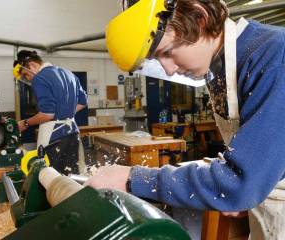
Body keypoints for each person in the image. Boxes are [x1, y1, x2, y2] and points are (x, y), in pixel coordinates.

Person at [86, 0, 285, 239]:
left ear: (200, 19)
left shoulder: (273, 57)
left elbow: (238, 181)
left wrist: (131, 178)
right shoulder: (221, 67)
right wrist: (252, 185)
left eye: (168, 52)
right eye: (158, 60)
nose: (168, 70)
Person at [13, 50, 88, 175]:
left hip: (54, 136)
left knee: (52, 180)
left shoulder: (40, 78)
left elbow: (47, 114)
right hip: (73, 134)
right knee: (72, 177)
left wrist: (25, 123)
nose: (29, 79)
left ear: (32, 65)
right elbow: (83, 102)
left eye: (26, 75)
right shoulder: (69, 74)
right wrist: (65, 114)